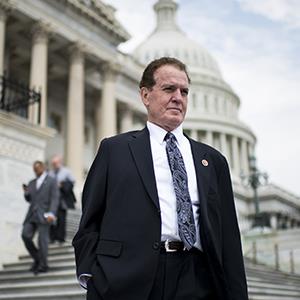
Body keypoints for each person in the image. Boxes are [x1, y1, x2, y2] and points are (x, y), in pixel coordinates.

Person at [73, 57, 248, 300]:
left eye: (184, 91)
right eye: (169, 89)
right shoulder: (115, 150)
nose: (178, 97)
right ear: (145, 95)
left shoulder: (212, 160)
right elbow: (90, 220)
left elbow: (229, 238)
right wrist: (91, 275)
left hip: (197, 278)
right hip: (128, 279)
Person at [21, 160, 59, 274]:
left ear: (42, 167)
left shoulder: (51, 181)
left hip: (44, 215)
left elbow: (55, 198)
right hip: (31, 215)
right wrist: (26, 193)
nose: (35, 171)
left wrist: (52, 213)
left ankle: (43, 265)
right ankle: (38, 258)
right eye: (34, 169)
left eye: (37, 168)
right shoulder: (32, 182)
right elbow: (29, 199)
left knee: (42, 241)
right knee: (25, 235)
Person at [49, 154, 76, 243]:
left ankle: (60, 237)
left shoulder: (66, 172)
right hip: (53, 199)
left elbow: (72, 182)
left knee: (61, 219)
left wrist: (62, 185)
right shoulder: (51, 173)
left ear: (60, 162)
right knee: (52, 218)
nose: (54, 165)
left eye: (55, 163)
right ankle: (52, 237)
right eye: (53, 163)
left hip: (62, 199)